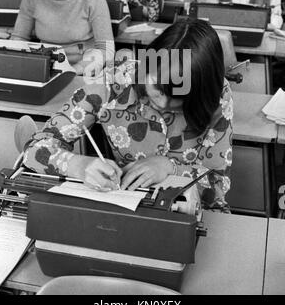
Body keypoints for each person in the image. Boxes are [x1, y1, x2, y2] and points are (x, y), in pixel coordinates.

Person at [21, 19, 233, 211]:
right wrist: (79, 165)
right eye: (158, 89)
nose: (162, 103)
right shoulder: (113, 84)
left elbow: (217, 185)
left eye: (178, 101)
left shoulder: (216, 96)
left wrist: (170, 167)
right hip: (128, 206)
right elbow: (34, 149)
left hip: (189, 213)